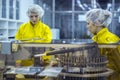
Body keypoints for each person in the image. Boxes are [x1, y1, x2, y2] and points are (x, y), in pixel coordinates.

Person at [86, 8, 120, 80]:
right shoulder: (98, 39)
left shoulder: (109, 39)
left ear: (97, 23)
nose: (87, 26)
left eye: (88, 23)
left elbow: (118, 65)